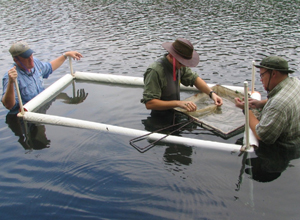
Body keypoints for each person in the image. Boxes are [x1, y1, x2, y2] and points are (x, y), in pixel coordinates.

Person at [141, 38, 223, 116]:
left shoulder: (179, 66)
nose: (183, 66)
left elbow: (194, 79)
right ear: (171, 55)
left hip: (175, 112)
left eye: (185, 63)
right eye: (181, 62)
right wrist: (178, 103)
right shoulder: (155, 71)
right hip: (159, 119)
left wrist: (212, 94)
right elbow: (150, 103)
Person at [2, 41, 83, 114]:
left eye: (31, 55)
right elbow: (9, 105)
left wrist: (66, 55)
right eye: (26, 58)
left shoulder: (35, 62)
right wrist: (11, 82)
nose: (31, 60)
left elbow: (49, 67)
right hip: (25, 117)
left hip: (41, 109)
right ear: (16, 60)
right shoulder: (11, 77)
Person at [235, 56, 300, 147]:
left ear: (273, 74)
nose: (261, 80)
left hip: (284, 149)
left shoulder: (279, 104)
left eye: (262, 75)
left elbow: (262, 135)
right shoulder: (294, 82)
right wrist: (260, 103)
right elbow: (278, 99)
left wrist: (246, 109)